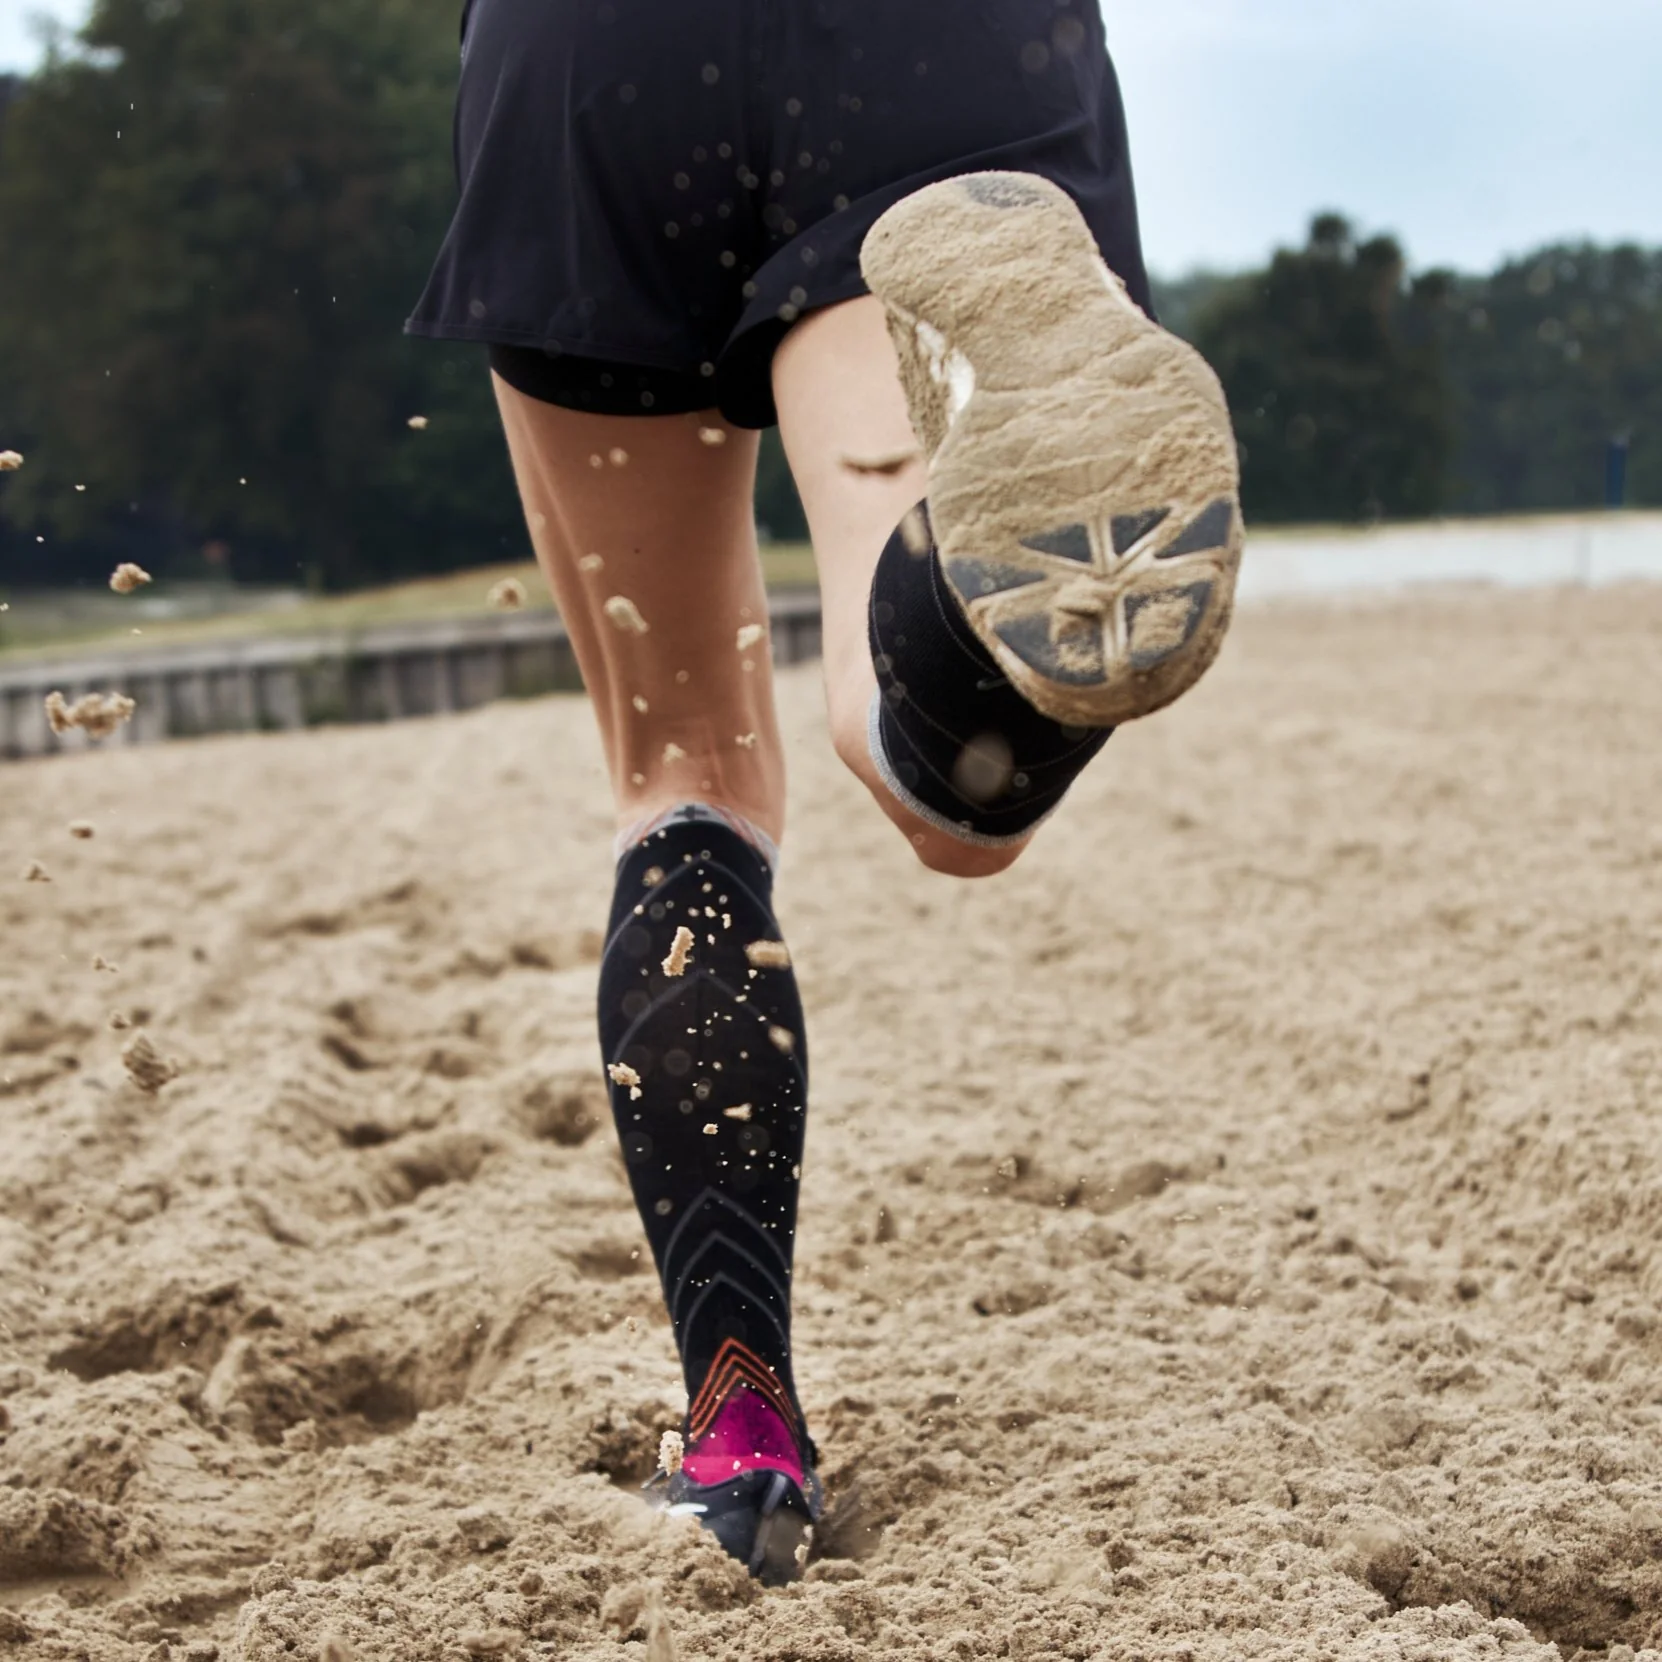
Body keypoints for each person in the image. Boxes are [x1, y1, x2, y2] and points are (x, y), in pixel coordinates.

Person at [407, 0, 1241, 1585]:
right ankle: (962, 624)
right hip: (939, 55)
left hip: (593, 61)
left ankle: (741, 1440)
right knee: (928, 769)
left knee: (683, 770)